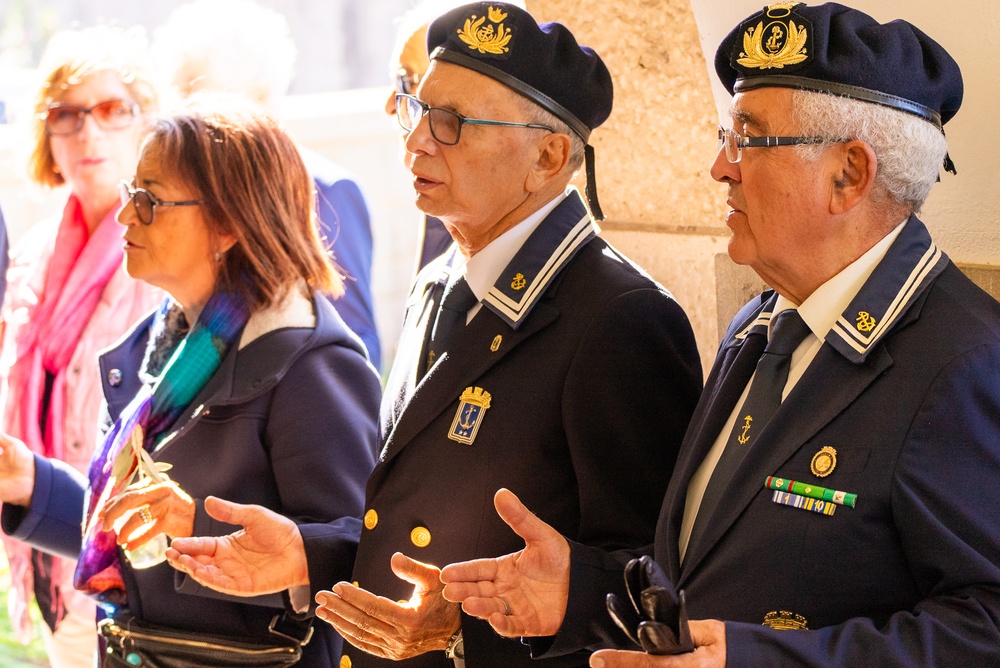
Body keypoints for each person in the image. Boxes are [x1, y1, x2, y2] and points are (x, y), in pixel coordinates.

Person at [439, 3, 1000, 666]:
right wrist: (582, 594)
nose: (718, 168)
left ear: (849, 174)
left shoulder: (960, 362)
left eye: (746, 139)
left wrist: (759, 660)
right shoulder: (763, 326)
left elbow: (986, 627)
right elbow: (707, 579)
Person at [166, 3, 703, 666]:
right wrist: (308, 554)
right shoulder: (441, 281)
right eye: (416, 108)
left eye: (452, 124)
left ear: (550, 155)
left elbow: (657, 591)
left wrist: (464, 630)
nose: (417, 141)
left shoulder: (619, 318)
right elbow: (408, 518)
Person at [0, 105, 382, 667]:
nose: (124, 215)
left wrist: (198, 526)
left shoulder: (306, 362)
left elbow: (360, 558)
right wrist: (32, 484)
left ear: (228, 225)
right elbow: (134, 534)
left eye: (150, 200)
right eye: (132, 192)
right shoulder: (163, 346)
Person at [0, 27, 162, 668]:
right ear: (46, 135)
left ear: (146, 120)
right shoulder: (35, 250)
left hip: (126, 552)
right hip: (38, 532)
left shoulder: (163, 250)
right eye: (67, 115)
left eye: (111, 109)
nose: (88, 133)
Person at [154, 0, 382, 370]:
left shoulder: (328, 189)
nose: (184, 119)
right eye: (179, 96)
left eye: (199, 98)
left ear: (257, 99)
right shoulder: (181, 196)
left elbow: (357, 342)